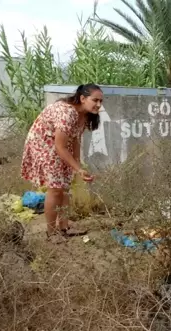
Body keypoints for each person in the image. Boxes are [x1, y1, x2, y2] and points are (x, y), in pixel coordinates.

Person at [20, 83, 103, 244]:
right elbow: (60, 146)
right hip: (44, 144)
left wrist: (78, 165)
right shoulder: (67, 113)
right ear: (82, 98)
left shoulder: (83, 114)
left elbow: (76, 138)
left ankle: (65, 227)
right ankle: (51, 233)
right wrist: (78, 169)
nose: (98, 105)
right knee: (56, 189)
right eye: (95, 100)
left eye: (101, 101)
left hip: (58, 145)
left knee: (65, 187)